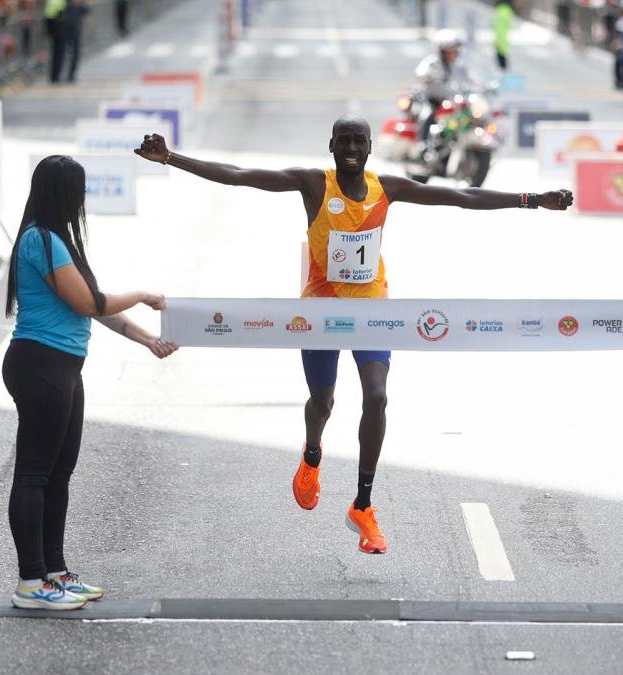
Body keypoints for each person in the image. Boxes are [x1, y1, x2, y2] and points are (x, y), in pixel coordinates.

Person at [133, 117, 574, 554]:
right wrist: (170, 158)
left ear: (368, 148)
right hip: (320, 315)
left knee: (377, 397)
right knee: (322, 403)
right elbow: (240, 176)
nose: (350, 147)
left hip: (372, 313)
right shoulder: (313, 184)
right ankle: (311, 455)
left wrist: (532, 199)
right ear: (330, 145)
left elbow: (459, 196)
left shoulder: (388, 189)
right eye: (343, 140)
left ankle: (363, 504)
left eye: (358, 141)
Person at [3, 156, 178, 610]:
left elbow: (94, 309)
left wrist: (148, 340)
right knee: (35, 473)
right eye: (79, 191)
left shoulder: (56, 240)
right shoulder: (40, 240)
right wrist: (143, 295)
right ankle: (31, 582)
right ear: (64, 193)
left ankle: (54, 572)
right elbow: (90, 302)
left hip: (61, 365)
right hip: (40, 364)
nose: (83, 199)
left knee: (58, 473)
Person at [493, 0, 514, 71]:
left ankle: (502, 71)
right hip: (503, 38)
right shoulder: (506, 11)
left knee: (501, 57)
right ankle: (503, 70)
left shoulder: (501, 12)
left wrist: (498, 41)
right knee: (502, 55)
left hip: (501, 39)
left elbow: (500, 28)